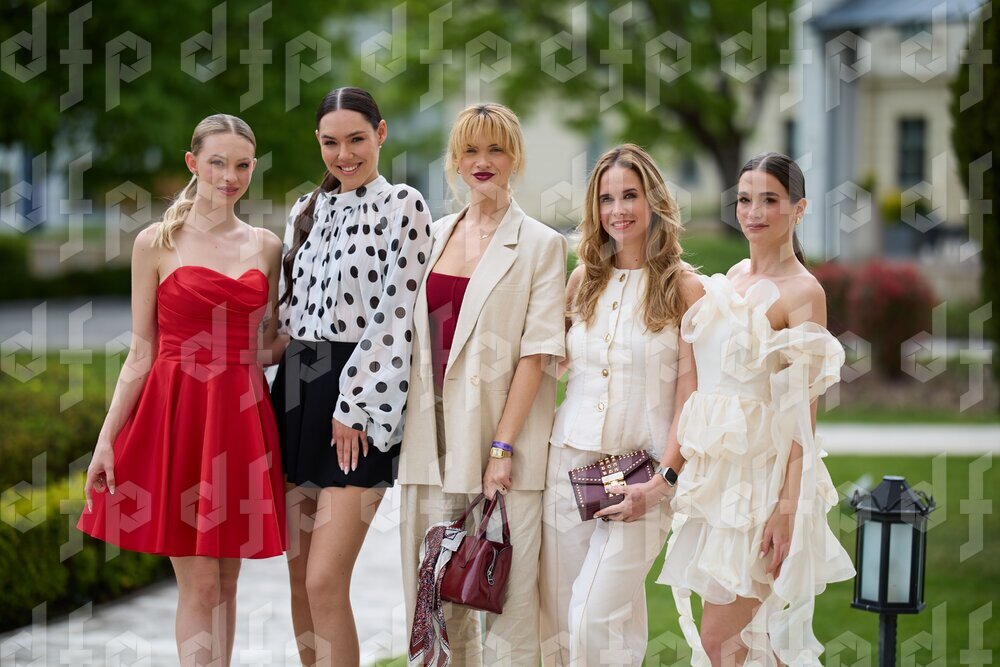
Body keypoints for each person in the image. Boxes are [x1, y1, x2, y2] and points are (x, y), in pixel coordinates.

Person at [78, 113, 287, 667]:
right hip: (178, 416)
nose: (229, 177)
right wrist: (105, 440)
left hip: (240, 417)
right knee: (201, 585)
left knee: (227, 582)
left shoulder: (268, 246)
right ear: (193, 163)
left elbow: (265, 345)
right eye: (217, 163)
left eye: (242, 165)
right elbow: (141, 352)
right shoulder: (156, 242)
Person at [657, 152, 855, 665]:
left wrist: (785, 511)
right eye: (745, 199)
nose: (754, 212)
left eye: (770, 200)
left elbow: (803, 417)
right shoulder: (734, 275)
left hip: (762, 485)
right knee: (749, 643)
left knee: (722, 641)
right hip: (719, 482)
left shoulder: (804, 292)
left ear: (799, 208)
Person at [398, 102, 567, 666]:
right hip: (431, 444)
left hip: (504, 450)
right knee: (433, 608)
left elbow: (538, 353)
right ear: (454, 160)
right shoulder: (432, 236)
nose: (483, 161)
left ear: (515, 157)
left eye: (496, 149)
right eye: (470, 150)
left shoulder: (541, 244)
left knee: (507, 612)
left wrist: (502, 447)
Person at [270, 86, 432, 667]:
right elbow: (289, 316)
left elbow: (397, 317)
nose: (344, 155)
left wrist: (355, 403)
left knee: (324, 581)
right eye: (330, 143)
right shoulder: (303, 210)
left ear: (381, 134)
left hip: (360, 394)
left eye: (357, 139)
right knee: (297, 579)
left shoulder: (405, 206)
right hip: (296, 388)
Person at [538, 143, 702, 665]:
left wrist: (663, 482)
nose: (618, 210)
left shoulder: (684, 288)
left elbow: (692, 397)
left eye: (630, 195)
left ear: (654, 201)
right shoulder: (582, 281)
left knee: (592, 617)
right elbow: (548, 368)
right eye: (606, 199)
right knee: (569, 624)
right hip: (567, 468)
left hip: (642, 474)